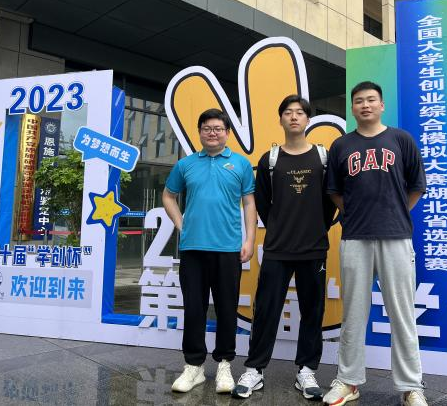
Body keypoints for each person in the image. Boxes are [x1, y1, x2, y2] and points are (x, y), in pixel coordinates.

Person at [322, 81, 428, 406]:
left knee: (402, 314)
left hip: (396, 236)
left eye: (371, 100)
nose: (365, 105)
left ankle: (411, 387)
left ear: (382, 105)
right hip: (355, 236)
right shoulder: (341, 145)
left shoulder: (401, 139)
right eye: (359, 101)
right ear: (352, 108)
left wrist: (395, 212)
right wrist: (353, 212)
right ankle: (348, 381)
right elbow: (334, 191)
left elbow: (417, 185)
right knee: (354, 314)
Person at [232, 95, 335, 401]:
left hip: (314, 248)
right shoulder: (270, 160)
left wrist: (315, 227)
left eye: (300, 112)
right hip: (277, 247)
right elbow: (263, 203)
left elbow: (330, 201)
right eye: (288, 112)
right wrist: (279, 227)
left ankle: (307, 370)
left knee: (313, 310)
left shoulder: (323, 157)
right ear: (280, 119)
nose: (293, 117)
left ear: (307, 119)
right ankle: (255, 368)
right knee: (266, 309)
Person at [163, 108, 257, 395]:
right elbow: (168, 196)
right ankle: (194, 366)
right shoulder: (186, 164)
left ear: (227, 133)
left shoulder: (240, 164)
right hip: (193, 248)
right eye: (207, 128)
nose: (212, 133)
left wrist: (250, 240)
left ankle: (225, 364)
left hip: (228, 248)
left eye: (218, 128)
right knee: (194, 308)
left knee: (227, 308)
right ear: (200, 132)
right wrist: (182, 225)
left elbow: (249, 203)